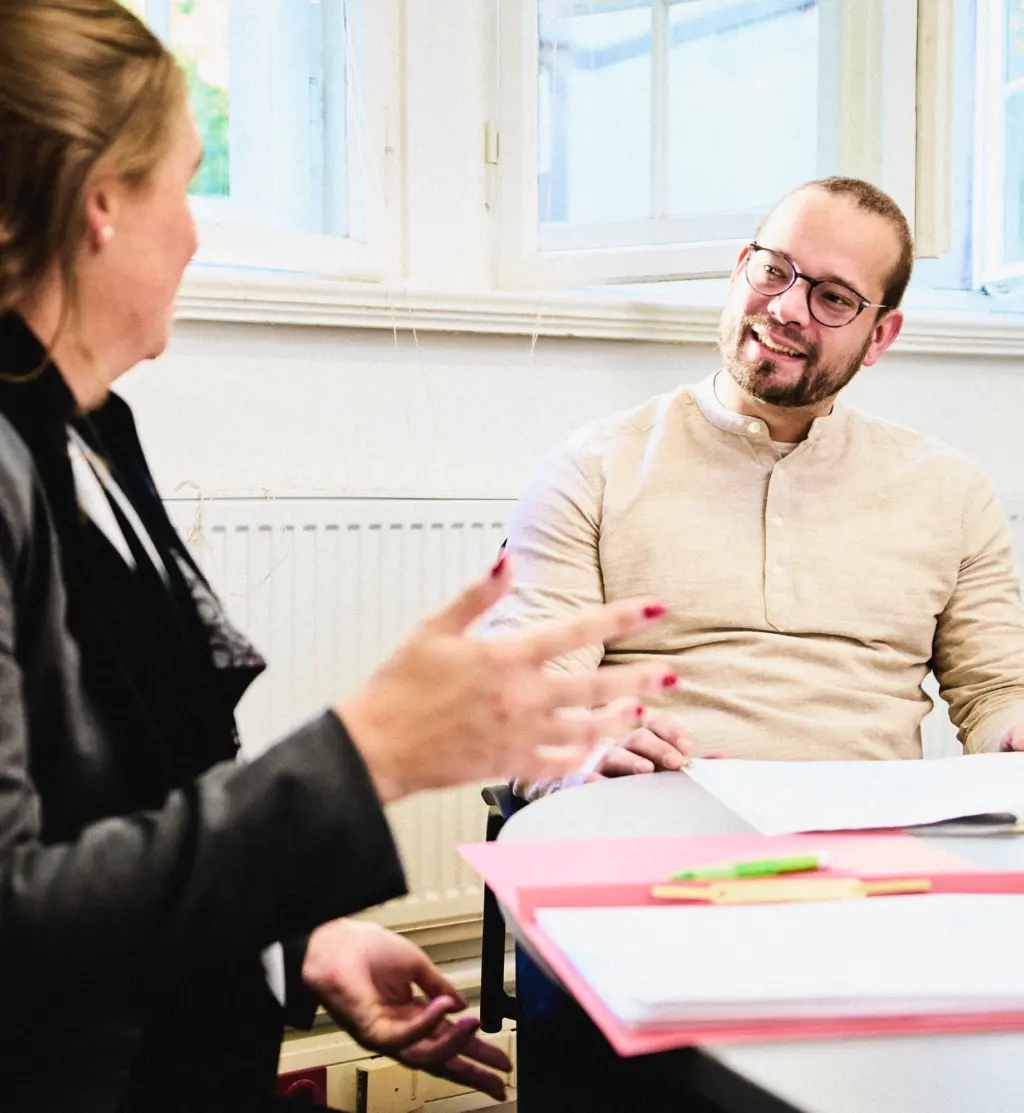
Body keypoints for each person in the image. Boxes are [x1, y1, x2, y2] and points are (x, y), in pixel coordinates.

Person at [0, 3, 679, 1110]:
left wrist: (297, 934)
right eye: (186, 184)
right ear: (101, 205)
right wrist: (365, 757)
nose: (197, 233)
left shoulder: (87, 427)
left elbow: (134, 795)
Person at [487, 176, 1024, 791]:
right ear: (741, 268)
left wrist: (1012, 732)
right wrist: (578, 756)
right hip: (651, 826)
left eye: (835, 298)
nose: (788, 307)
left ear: (879, 335)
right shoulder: (592, 468)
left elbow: (998, 691)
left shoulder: (949, 490)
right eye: (775, 270)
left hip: (875, 846)